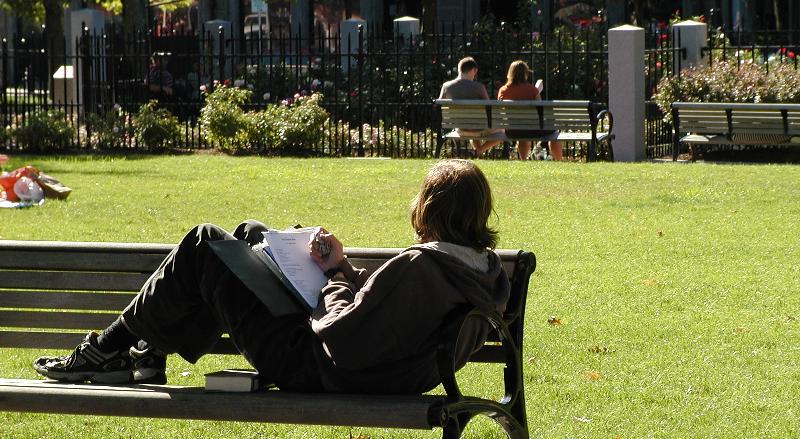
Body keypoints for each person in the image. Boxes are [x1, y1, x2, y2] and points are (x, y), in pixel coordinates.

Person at [33, 160, 510, 395]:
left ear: (428, 208)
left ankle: (109, 348)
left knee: (205, 242)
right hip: (381, 372)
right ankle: (148, 351)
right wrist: (343, 267)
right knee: (250, 234)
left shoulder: (421, 266)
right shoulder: (481, 272)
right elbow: (385, 312)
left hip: (312, 363)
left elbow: (343, 337)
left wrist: (332, 277)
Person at [497, 60, 562, 161]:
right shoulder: (532, 90)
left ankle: (523, 159)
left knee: (522, 130)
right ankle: (559, 160)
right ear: (525, 74)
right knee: (554, 133)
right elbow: (541, 111)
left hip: (512, 131)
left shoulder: (503, 91)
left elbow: (499, 111)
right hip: (532, 129)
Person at [438, 57, 502, 157]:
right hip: (479, 129)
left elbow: (439, 105)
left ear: (459, 69)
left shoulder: (446, 86)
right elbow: (489, 108)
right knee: (502, 130)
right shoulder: (478, 87)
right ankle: (479, 151)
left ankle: (477, 154)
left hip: (460, 129)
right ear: (473, 70)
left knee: (473, 124)